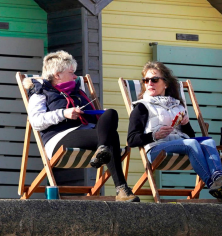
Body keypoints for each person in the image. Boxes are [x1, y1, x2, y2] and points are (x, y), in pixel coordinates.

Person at [26, 51, 139, 202]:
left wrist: (101, 115)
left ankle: (102, 149)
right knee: (112, 136)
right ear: (57, 75)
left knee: (111, 113)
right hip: (59, 138)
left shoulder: (78, 92)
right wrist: (63, 113)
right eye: (71, 73)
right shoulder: (40, 92)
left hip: (87, 133)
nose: (75, 77)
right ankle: (122, 189)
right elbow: (36, 121)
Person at [127, 61, 222, 203]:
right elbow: (131, 140)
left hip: (180, 144)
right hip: (156, 149)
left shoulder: (177, 105)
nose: (150, 83)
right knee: (191, 144)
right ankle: (214, 186)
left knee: (209, 141)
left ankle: (218, 178)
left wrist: (185, 124)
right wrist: (154, 135)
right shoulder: (142, 107)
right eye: (146, 80)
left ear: (165, 84)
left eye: (154, 80)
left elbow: (190, 137)